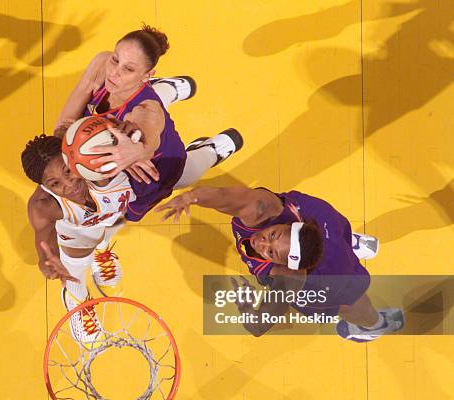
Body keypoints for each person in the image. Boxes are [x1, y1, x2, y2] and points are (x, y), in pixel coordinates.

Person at [47, 24, 243, 301]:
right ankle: (170, 89)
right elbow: (65, 123)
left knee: (189, 173)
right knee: (99, 217)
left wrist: (138, 149)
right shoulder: (103, 64)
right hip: (121, 164)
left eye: (128, 68)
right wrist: (67, 149)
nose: (114, 71)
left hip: (161, 169)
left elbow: (149, 132)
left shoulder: (146, 110)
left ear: (145, 74)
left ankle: (209, 148)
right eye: (117, 59)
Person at [156, 186, 405, 342]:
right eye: (273, 235)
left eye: (272, 253)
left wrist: (244, 303)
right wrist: (191, 196)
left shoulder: (292, 280)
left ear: (287, 267)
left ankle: (375, 325)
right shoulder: (264, 209)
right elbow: (224, 196)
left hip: (336, 272)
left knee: (349, 303)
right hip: (327, 222)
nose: (261, 243)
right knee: (337, 228)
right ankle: (348, 241)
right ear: (288, 223)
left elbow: (257, 325)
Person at [21, 134, 135, 343]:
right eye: (55, 183)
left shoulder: (100, 161)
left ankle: (101, 249)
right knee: (75, 263)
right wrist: (49, 263)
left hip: (108, 214)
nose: (70, 184)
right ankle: (75, 298)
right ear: (46, 187)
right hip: (75, 229)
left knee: (113, 218)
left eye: (67, 170)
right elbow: (44, 247)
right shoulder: (43, 205)